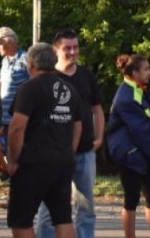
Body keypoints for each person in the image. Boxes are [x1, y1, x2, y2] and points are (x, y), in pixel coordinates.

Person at [7, 42, 82, 238]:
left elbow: (17, 127)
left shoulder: (28, 89)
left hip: (33, 162)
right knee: (62, 218)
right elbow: (78, 126)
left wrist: (14, 159)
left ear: (31, 64)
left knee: (21, 220)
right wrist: (69, 152)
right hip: (63, 162)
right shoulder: (70, 89)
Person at [36, 28, 104, 238]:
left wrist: (99, 138)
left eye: (76, 47)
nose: (73, 52)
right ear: (56, 50)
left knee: (86, 207)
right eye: (67, 48)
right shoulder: (48, 77)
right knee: (48, 210)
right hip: (55, 154)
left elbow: (97, 109)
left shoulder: (86, 75)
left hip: (85, 152)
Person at [107, 54, 150, 238]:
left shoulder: (137, 90)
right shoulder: (126, 96)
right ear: (134, 73)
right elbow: (141, 131)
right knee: (131, 199)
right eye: (146, 69)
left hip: (142, 154)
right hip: (130, 155)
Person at [0, 27, 29, 176]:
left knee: (19, 159)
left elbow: (34, 86)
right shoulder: (4, 61)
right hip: (6, 122)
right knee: (11, 158)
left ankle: (15, 177)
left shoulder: (26, 59)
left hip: (21, 121)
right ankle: (10, 174)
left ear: (9, 42)